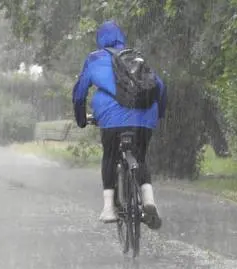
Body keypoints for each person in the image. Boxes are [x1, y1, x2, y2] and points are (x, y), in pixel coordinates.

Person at [72, 20, 167, 230]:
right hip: (145, 117)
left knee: (111, 156)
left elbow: (79, 94)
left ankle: (108, 208)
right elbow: (160, 86)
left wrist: (81, 119)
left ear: (100, 39)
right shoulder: (135, 57)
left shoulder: (95, 58)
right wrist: (157, 115)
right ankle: (149, 201)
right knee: (140, 157)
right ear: (121, 37)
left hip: (110, 118)